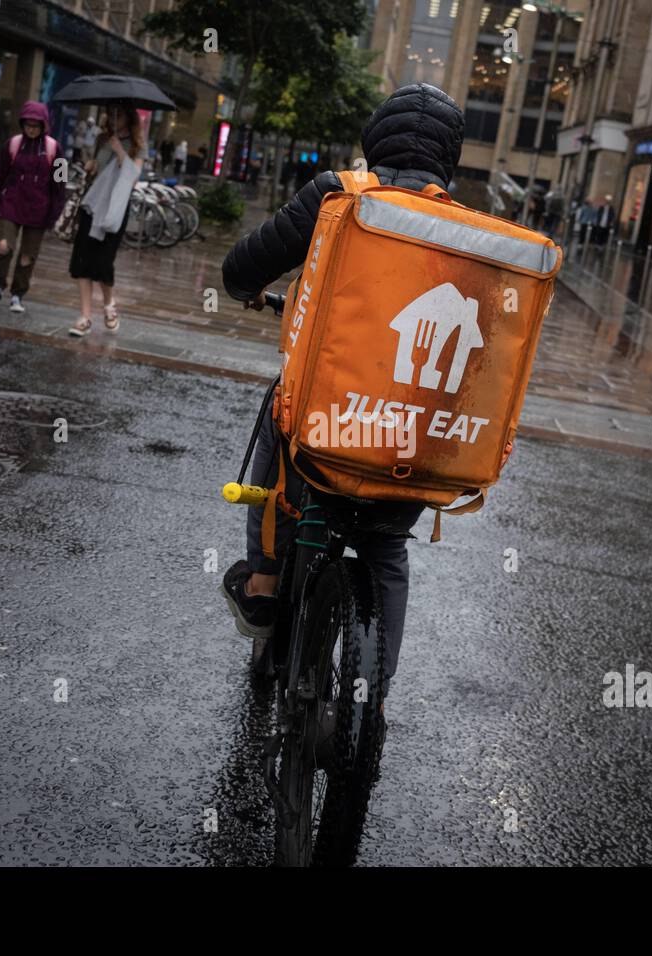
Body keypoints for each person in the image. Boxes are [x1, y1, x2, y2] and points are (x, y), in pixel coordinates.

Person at [219, 82, 465, 703]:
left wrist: (250, 290)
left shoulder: (336, 196)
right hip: (415, 443)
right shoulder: (469, 233)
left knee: (282, 431)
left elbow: (241, 269)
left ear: (373, 142)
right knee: (386, 549)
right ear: (449, 159)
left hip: (332, 433)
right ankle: (372, 697)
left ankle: (264, 589)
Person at [67, 104, 145, 337]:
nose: (113, 118)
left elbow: (132, 178)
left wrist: (120, 150)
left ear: (128, 118)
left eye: (119, 114)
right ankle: (85, 316)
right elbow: (94, 166)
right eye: (111, 113)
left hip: (115, 211)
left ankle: (109, 304)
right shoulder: (101, 139)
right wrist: (91, 166)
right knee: (81, 261)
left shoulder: (138, 146)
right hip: (92, 206)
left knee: (103, 263)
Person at [0, 101, 65, 314]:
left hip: (39, 210)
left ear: (44, 125)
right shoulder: (12, 144)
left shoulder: (55, 149)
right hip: (11, 203)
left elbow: (60, 184)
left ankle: (18, 294)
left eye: (36, 125)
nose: (31, 129)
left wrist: (54, 215)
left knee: (28, 254)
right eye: (28, 124)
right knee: (4, 245)